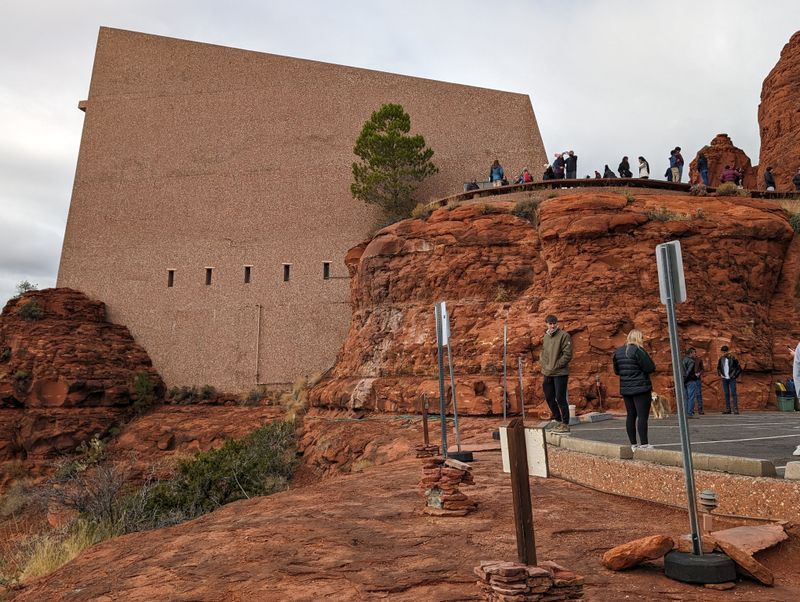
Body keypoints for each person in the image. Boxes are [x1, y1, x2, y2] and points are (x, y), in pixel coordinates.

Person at [612, 329, 656, 450]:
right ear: (638, 338)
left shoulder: (618, 352)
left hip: (626, 388)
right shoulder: (638, 350)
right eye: (641, 338)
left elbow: (617, 371)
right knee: (642, 416)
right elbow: (650, 367)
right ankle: (644, 444)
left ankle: (633, 444)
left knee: (631, 415)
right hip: (641, 388)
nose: (643, 340)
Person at [540, 315, 573, 434]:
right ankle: (558, 420)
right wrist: (544, 365)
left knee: (560, 398)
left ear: (557, 323)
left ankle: (565, 423)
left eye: (554, 323)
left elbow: (567, 355)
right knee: (549, 397)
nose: (552, 325)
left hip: (560, 373)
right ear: (546, 324)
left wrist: (556, 365)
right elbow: (543, 353)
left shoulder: (564, 335)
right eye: (550, 323)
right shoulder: (545, 337)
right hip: (547, 372)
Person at [716, 345, 742, 414]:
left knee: (733, 393)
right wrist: (720, 374)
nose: (724, 353)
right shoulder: (721, 359)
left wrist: (734, 376)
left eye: (725, 352)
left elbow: (739, 368)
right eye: (723, 352)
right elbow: (718, 367)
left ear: (728, 351)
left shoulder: (733, 358)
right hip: (724, 378)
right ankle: (728, 409)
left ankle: (735, 409)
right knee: (726, 393)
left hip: (731, 378)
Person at [682, 348, 701, 417]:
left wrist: (683, 380)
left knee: (685, 397)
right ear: (691, 353)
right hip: (690, 380)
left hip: (684, 381)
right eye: (694, 353)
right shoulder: (691, 361)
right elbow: (688, 372)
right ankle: (689, 413)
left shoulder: (683, 360)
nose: (695, 354)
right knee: (691, 397)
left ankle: (685, 413)